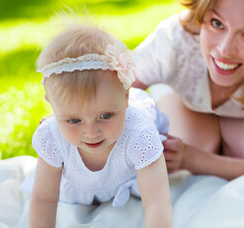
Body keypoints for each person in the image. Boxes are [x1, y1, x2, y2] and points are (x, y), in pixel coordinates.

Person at [28, 18, 172, 227]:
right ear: (51, 106)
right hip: (85, 184)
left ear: (125, 97)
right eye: (74, 120)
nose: (91, 132)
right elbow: (43, 200)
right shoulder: (53, 137)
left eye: (105, 116)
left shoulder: (140, 134)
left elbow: (157, 204)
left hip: (137, 172)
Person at [132, 0, 244, 181]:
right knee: (195, 148)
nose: (225, 50)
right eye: (216, 23)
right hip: (182, 96)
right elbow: (113, 92)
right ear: (200, 18)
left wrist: (190, 157)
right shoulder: (174, 42)